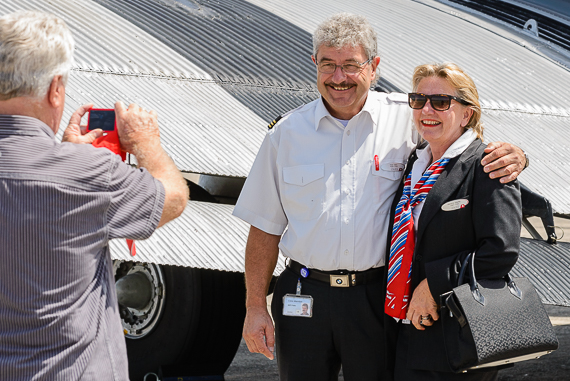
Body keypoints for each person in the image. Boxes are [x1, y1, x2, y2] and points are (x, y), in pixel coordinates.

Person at [233, 13, 526, 381]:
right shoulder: (285, 134)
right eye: (328, 65)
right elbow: (264, 226)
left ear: (374, 67)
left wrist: (514, 155)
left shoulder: (409, 116)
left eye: (351, 65)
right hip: (303, 296)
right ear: (314, 65)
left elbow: (459, 144)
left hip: (374, 297)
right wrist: (255, 306)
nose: (338, 78)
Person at [0, 11, 188, 380]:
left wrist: (67, 154)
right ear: (55, 89)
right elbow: (173, 198)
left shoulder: (80, 172)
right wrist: (146, 144)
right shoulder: (88, 174)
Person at [383, 63, 521, 381]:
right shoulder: (414, 163)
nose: (427, 109)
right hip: (403, 333)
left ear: (466, 114)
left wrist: (433, 285)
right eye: (418, 100)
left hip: (456, 341)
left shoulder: (487, 165)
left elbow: (500, 251)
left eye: (441, 102)